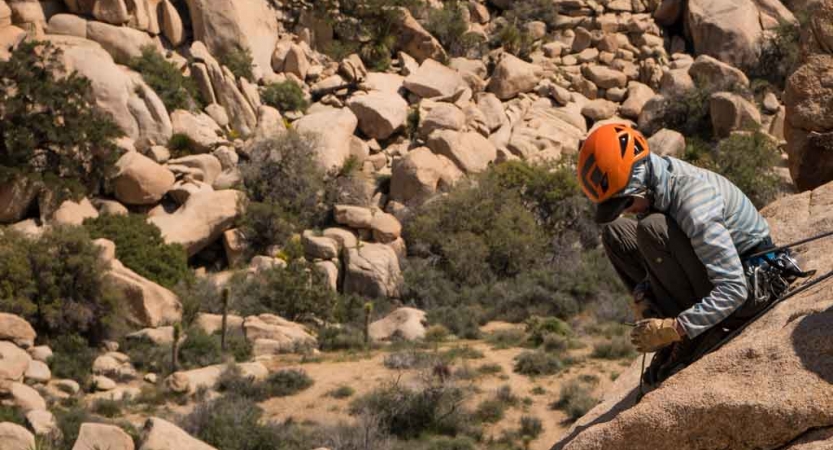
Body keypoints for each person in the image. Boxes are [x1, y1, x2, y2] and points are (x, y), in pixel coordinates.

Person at [576, 124, 783, 384]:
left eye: (625, 202)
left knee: (653, 229)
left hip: (752, 286)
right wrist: (645, 291)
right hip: (711, 273)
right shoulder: (654, 183)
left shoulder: (692, 199)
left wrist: (676, 328)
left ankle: (692, 335)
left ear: (640, 182)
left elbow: (733, 289)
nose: (625, 211)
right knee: (617, 232)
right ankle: (671, 323)